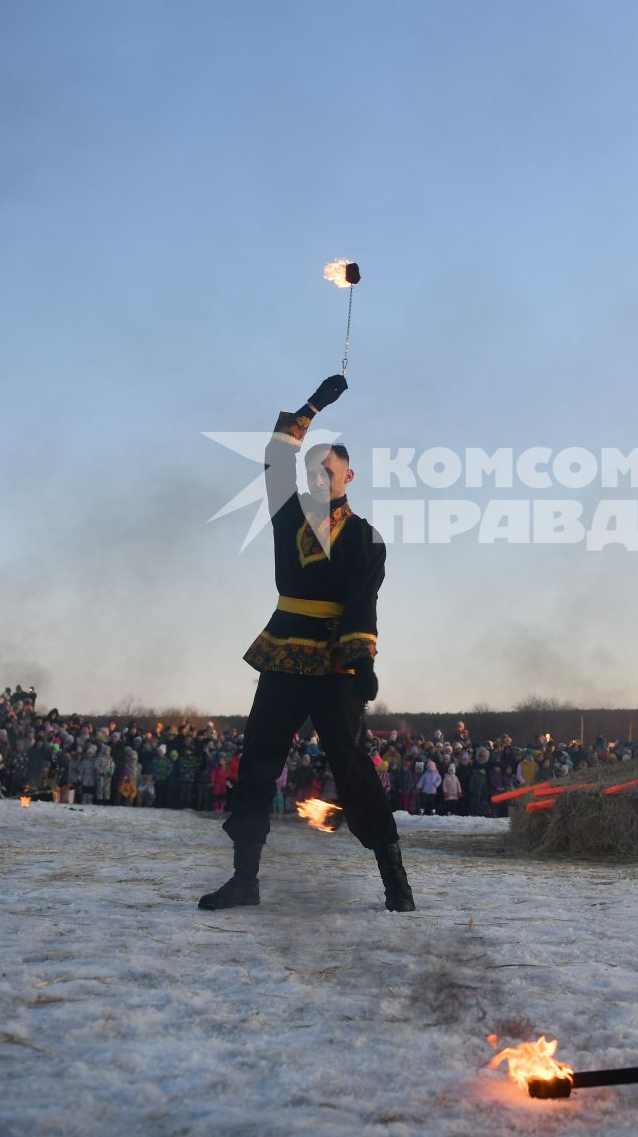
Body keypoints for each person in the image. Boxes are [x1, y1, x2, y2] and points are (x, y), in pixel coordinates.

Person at [201, 374, 414, 912]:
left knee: (352, 766)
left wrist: (361, 660)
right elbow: (276, 453)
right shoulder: (287, 512)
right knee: (256, 764)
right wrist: (315, 403)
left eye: (331, 469)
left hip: (334, 660)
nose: (321, 476)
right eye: (315, 468)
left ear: (348, 476)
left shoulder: (367, 537)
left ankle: (396, 883)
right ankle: (245, 880)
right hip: (281, 654)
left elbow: (362, 603)